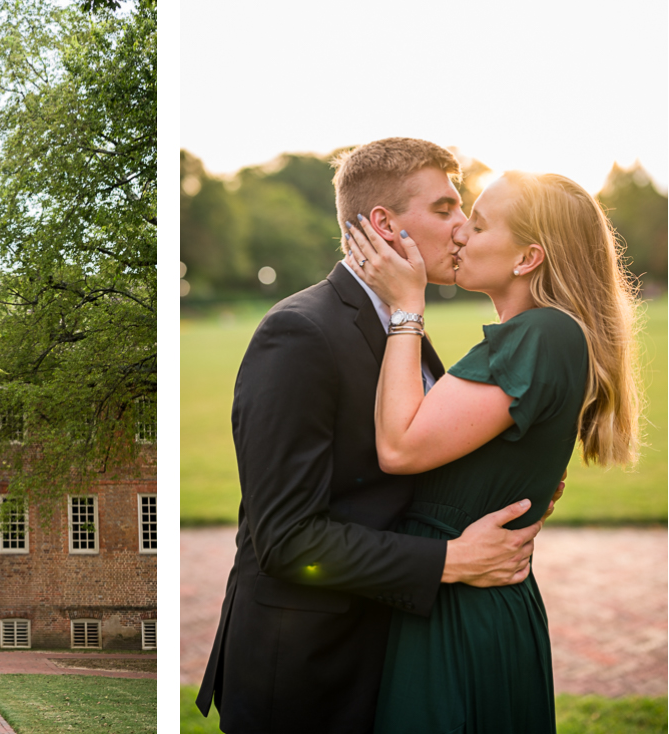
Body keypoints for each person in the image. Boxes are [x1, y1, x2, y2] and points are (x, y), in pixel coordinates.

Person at [196, 138, 565, 733]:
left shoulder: (404, 324)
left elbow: (415, 469)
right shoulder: (298, 333)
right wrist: (450, 561)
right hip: (308, 672)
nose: (462, 226)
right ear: (384, 224)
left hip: (386, 655)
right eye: (445, 209)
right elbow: (288, 541)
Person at [344, 171, 638, 732]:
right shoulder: (545, 335)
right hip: (463, 592)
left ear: (527, 258)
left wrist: (407, 306)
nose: (459, 235)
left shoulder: (541, 334)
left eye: (477, 225)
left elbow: (400, 447)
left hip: (464, 609)